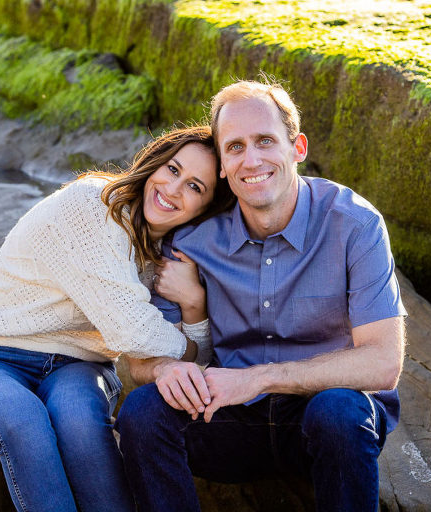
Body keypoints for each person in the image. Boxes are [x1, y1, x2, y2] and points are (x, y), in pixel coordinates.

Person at [116, 79, 407, 512]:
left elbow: (384, 363)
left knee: (340, 413)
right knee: (142, 412)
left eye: (265, 141)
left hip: (322, 418)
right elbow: (136, 360)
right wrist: (162, 369)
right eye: (234, 147)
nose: (251, 160)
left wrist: (257, 378)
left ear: (298, 148)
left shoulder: (355, 225)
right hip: (230, 419)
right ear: (220, 165)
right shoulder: (190, 241)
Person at [0, 126, 233, 512]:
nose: (174, 189)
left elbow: (164, 353)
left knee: (80, 424)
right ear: (154, 163)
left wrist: (193, 303)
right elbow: (136, 332)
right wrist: (194, 345)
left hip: (78, 367)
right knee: (25, 421)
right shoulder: (93, 203)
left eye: (196, 187)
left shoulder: (175, 253)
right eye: (173, 169)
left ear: (205, 207)